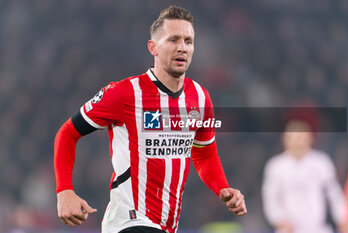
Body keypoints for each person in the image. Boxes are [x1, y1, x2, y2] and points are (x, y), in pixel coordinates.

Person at [54, 5, 247, 233]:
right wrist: (64, 190)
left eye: (188, 41)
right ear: (153, 47)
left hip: (166, 226)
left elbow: (204, 152)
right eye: (173, 40)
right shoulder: (124, 93)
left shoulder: (200, 97)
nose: (182, 48)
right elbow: (68, 132)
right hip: (129, 222)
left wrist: (223, 188)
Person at [262, 118, 346, 233]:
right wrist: (279, 219)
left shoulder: (321, 162)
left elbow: (334, 194)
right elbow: (270, 198)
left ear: (310, 138)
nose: (298, 142)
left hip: (318, 229)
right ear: (285, 139)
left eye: (301, 138)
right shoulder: (276, 166)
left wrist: (342, 219)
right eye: (294, 138)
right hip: (288, 229)